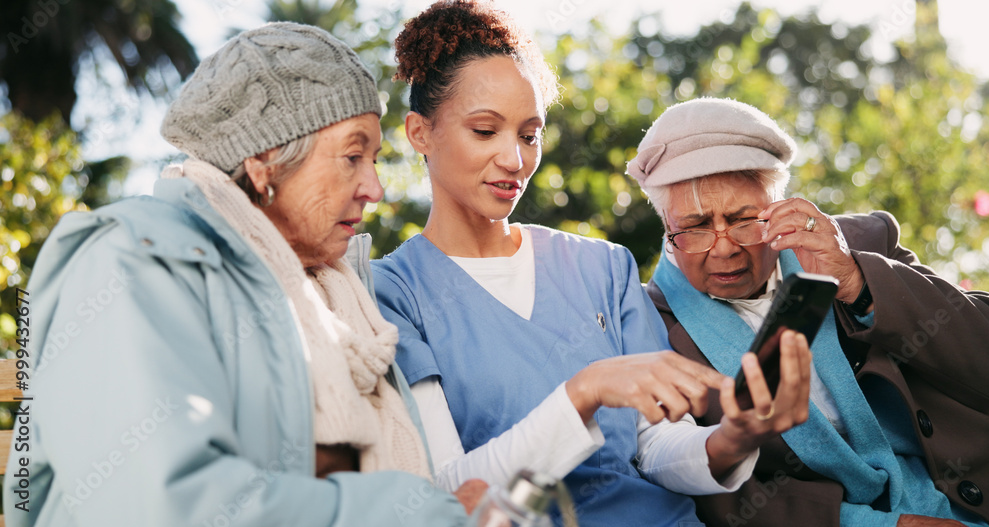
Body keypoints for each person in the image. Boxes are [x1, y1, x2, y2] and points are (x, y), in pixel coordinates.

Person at [2, 22, 484, 527]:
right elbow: (170, 509)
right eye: (351, 156)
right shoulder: (130, 260)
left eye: (375, 160)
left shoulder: (339, 299)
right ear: (263, 162)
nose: (375, 188)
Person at [371, 2, 813, 525]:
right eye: (486, 131)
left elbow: (653, 448)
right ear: (419, 133)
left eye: (529, 135)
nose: (515, 160)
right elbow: (451, 493)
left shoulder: (602, 267)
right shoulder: (390, 294)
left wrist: (732, 439)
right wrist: (583, 394)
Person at [626, 96, 989, 527]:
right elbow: (697, 490)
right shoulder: (647, 321)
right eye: (694, 228)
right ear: (666, 224)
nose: (724, 247)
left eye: (745, 220)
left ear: (779, 204)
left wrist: (859, 283)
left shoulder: (861, 244)